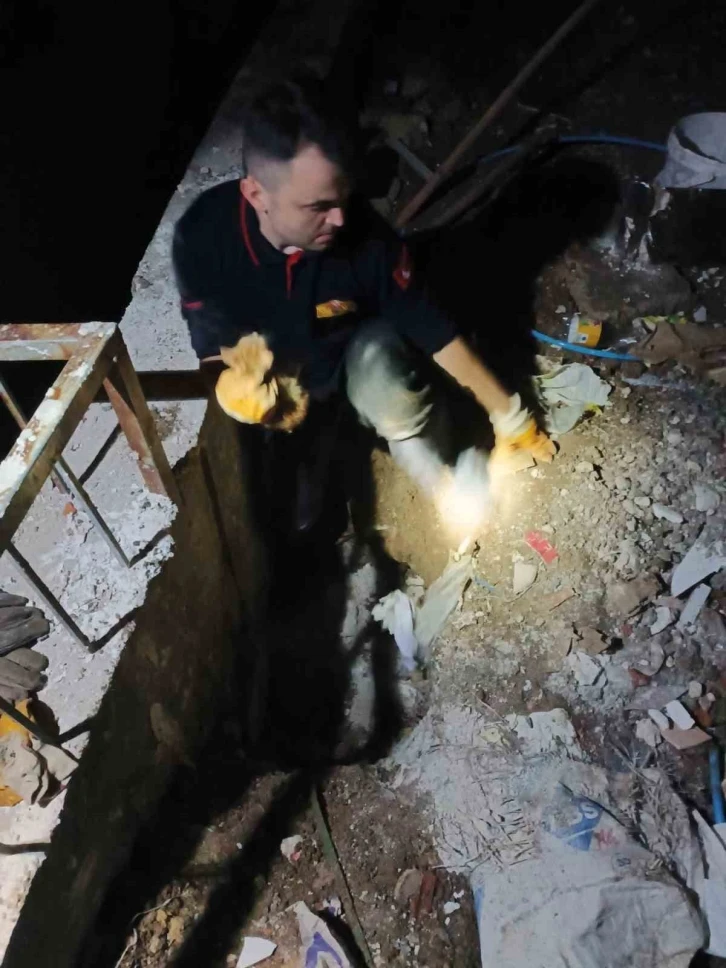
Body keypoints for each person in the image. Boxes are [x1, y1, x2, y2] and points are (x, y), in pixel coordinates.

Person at [173, 78, 555, 535]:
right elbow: (209, 341)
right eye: (317, 206)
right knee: (297, 516)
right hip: (290, 378)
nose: (338, 219)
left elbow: (433, 330)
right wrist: (235, 388)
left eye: (342, 198)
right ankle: (317, 445)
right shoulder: (204, 239)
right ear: (257, 195)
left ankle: (431, 451)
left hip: (357, 356)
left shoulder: (365, 239)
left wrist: (510, 414)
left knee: (381, 374)